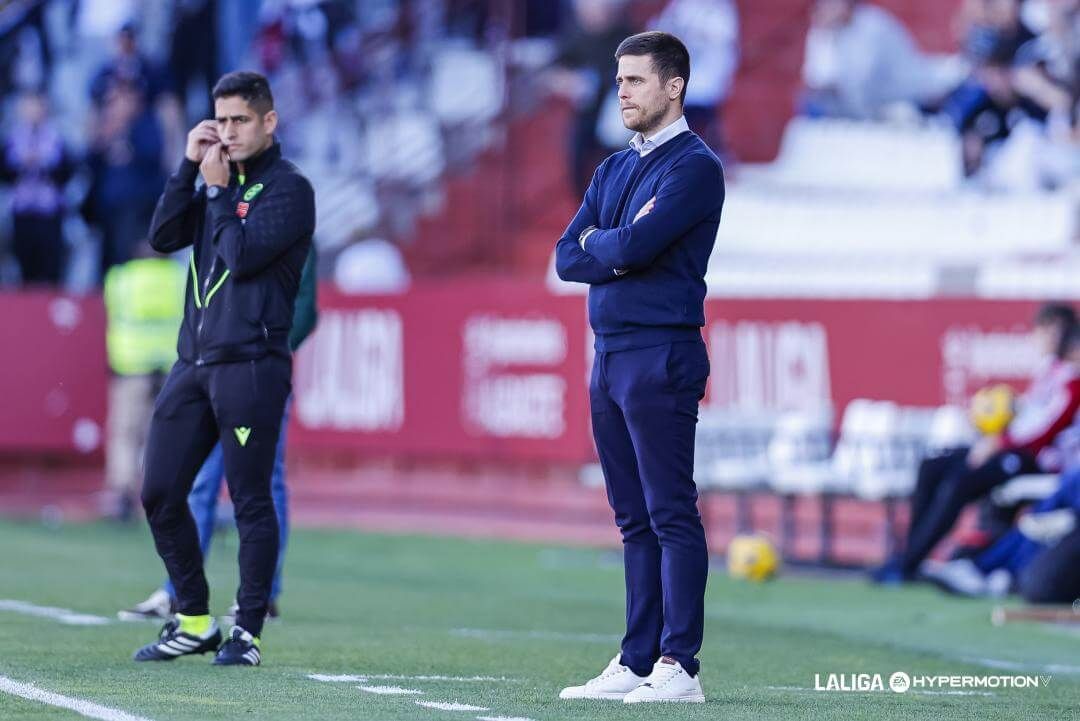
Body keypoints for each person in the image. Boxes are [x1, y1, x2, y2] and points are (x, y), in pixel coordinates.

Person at [554, 31, 724, 704]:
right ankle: (637, 655)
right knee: (631, 517)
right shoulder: (613, 168)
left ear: (673, 85)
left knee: (670, 509)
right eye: (619, 79)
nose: (620, 90)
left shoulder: (695, 167)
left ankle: (680, 664)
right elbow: (570, 254)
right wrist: (612, 246)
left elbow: (639, 241)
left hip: (661, 350)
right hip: (611, 352)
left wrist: (611, 245)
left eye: (635, 80)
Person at [134, 71, 315, 667]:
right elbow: (161, 236)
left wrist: (214, 194)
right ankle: (193, 618)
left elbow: (240, 258)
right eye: (221, 120)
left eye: (241, 120)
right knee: (160, 492)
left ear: (269, 121)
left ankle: (249, 631)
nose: (228, 132)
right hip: (196, 364)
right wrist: (188, 169)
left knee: (251, 500)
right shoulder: (215, 177)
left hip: (252, 366)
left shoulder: (289, 189)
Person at [120, 246, 318, 621]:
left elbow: (305, 308)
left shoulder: (292, 226)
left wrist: (264, 352)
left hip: (260, 378)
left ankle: (262, 596)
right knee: (200, 482)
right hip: (213, 375)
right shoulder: (221, 222)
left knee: (263, 482)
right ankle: (177, 590)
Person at [872, 302, 1080, 584]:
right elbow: (1031, 416)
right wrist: (997, 430)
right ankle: (910, 554)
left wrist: (1001, 441)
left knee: (961, 481)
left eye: (1046, 331)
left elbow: (1046, 430)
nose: (1041, 338)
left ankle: (920, 562)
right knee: (933, 466)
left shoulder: (1072, 380)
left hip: (1038, 461)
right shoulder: (1050, 371)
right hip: (1015, 448)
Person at [102, 248, 186, 522]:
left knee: (125, 434)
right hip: (171, 366)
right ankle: (162, 494)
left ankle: (124, 495)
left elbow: (112, 310)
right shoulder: (180, 276)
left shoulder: (121, 279)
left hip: (131, 366)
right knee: (162, 434)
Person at [0, 90, 75, 285]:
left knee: (50, 265)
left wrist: (44, 164)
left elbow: (67, 173)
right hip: (23, 210)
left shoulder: (56, 138)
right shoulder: (13, 139)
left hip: (48, 211)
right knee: (25, 264)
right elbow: (5, 174)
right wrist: (22, 165)